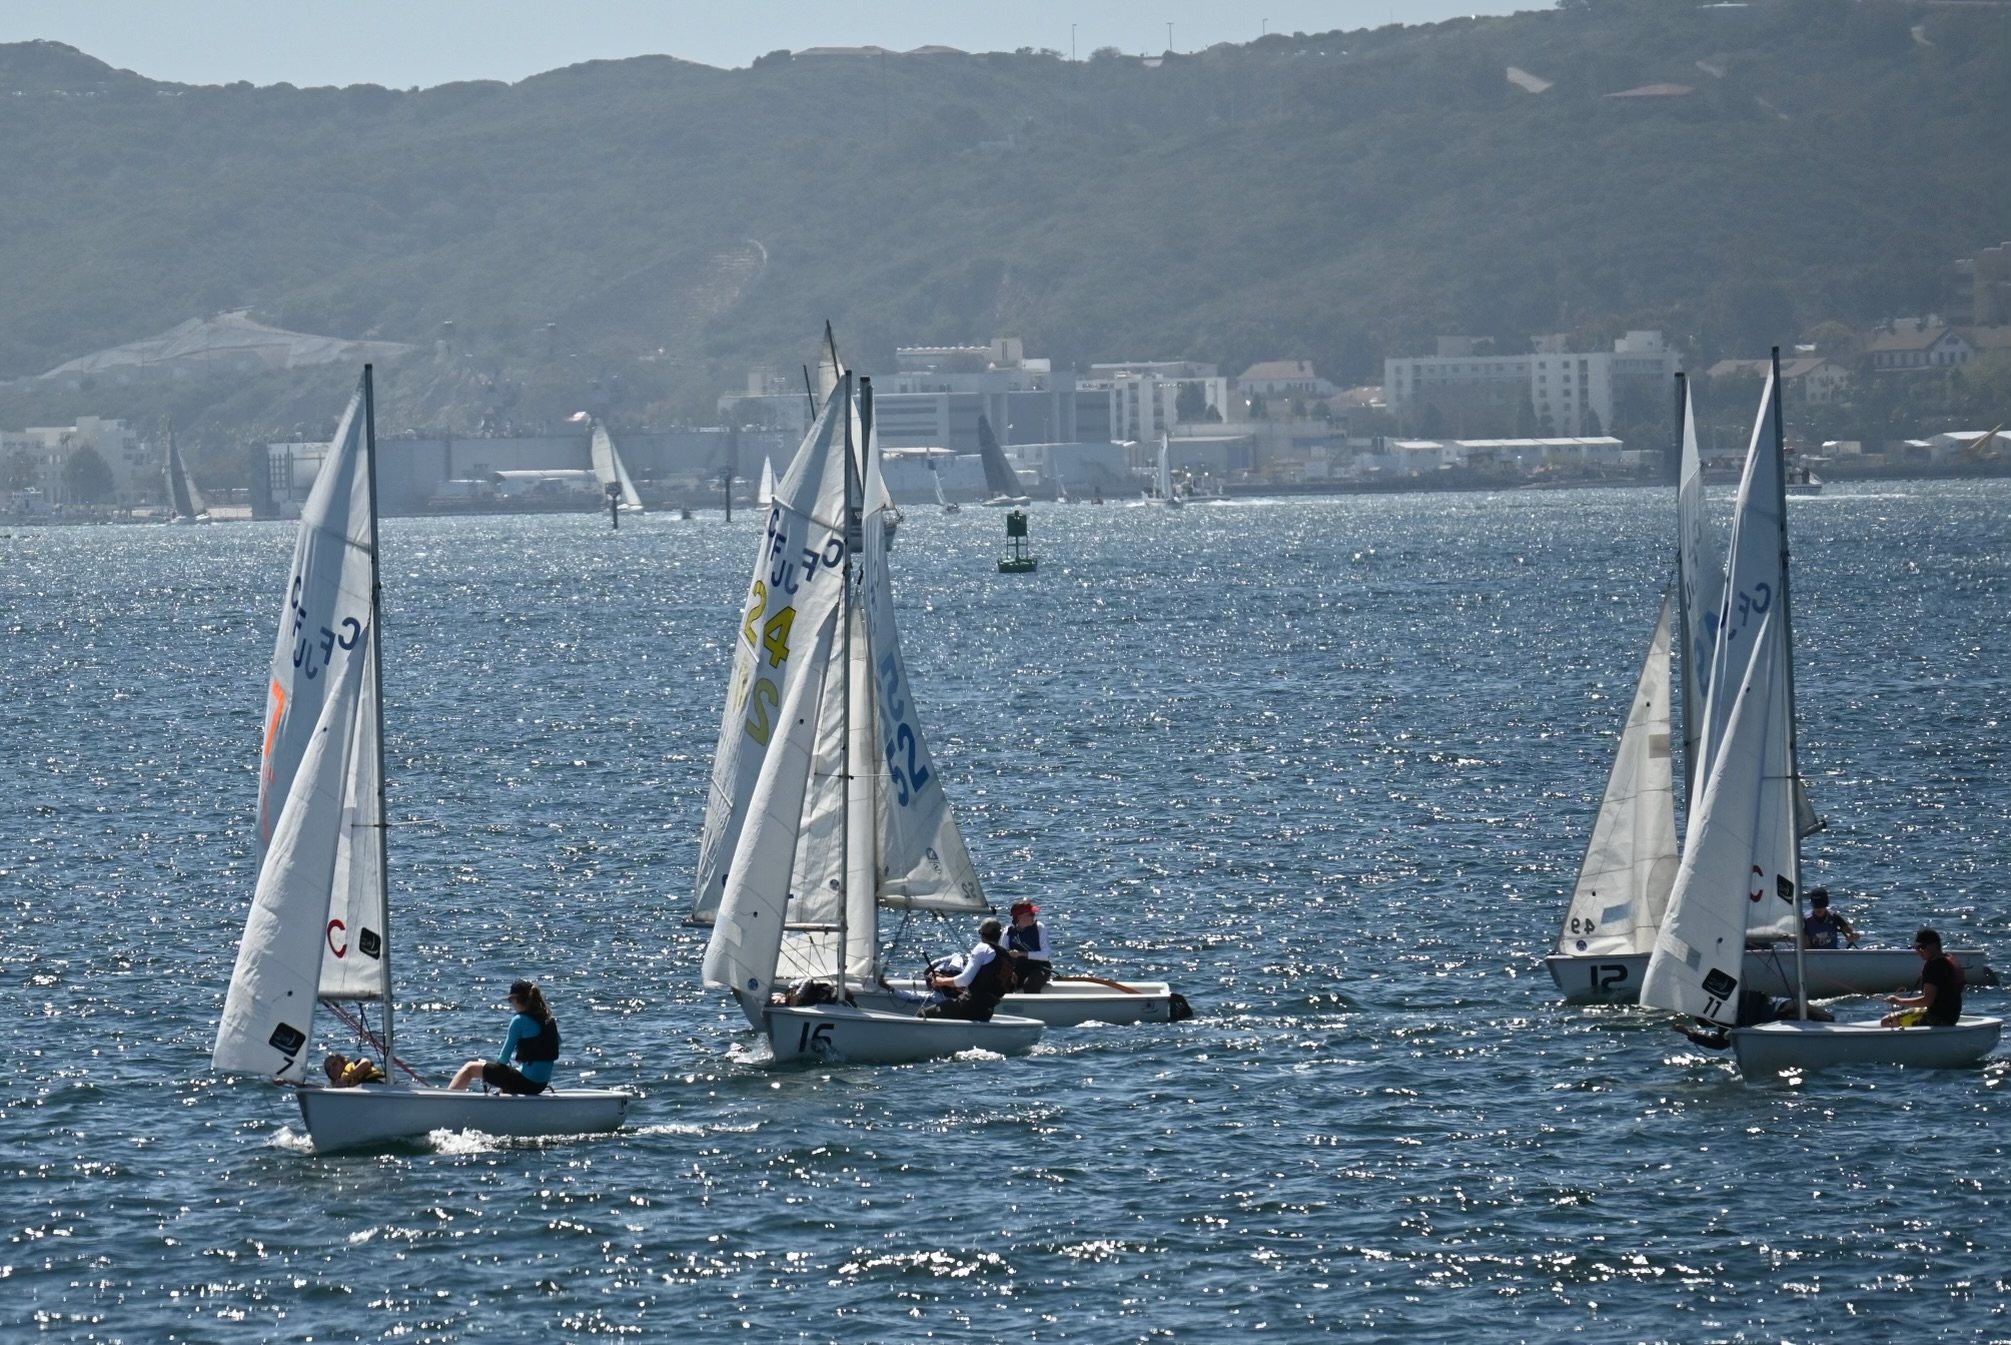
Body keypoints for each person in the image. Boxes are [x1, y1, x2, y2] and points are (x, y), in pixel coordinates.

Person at [449, 978, 561, 1094]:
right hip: (541, 1084)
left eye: (510, 1000)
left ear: (515, 999)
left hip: (527, 1083)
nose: (511, 1004)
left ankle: (446, 1100)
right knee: (506, 1082)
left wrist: (492, 1071)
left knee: (470, 1068)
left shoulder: (519, 1020)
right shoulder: (548, 1020)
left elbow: (503, 1059)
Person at [920, 919, 1014, 1022]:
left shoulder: (983, 948)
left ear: (981, 934)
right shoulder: (1007, 957)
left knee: (923, 1014)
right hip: (986, 1012)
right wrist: (948, 981)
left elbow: (965, 980)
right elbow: (986, 987)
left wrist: (940, 981)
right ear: (1000, 935)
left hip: (967, 1007)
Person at [1883, 928, 1964, 1026]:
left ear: (1934, 946)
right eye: (1917, 949)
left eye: (1921, 947)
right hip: (1952, 1017)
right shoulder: (1949, 959)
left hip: (1937, 1019)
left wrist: (1899, 1001)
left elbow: (1927, 1000)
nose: (1918, 951)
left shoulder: (1934, 966)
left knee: (1887, 1021)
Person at [1002, 900, 1053, 993]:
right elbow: (1002, 955)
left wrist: (1022, 954)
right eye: (1031, 914)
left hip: (1040, 967)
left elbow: (1045, 955)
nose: (1034, 916)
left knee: (1030, 984)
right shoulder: (1008, 932)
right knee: (1004, 984)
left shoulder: (1039, 928)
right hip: (1019, 967)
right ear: (1020, 917)